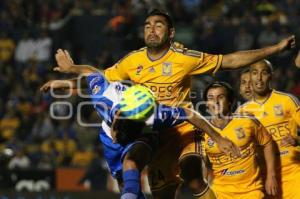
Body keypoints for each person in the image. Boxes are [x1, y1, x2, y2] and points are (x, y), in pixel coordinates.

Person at [41, 9, 295, 199]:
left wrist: (276, 48)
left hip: (182, 128)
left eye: (159, 25)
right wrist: (71, 74)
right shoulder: (132, 60)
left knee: (192, 175)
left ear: (170, 33)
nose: (152, 29)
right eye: (148, 25)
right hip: (152, 134)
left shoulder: (184, 58)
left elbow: (229, 60)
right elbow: (102, 80)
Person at [41, 49, 240, 199]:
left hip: (144, 138)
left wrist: (218, 137)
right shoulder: (104, 97)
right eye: (119, 129)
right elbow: (92, 74)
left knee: (131, 163)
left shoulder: (156, 116)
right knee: (123, 183)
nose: (118, 135)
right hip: (108, 140)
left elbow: (189, 113)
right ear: (117, 115)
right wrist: (67, 77)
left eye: (123, 133)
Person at [202, 81, 277, 199]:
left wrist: (271, 176)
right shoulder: (202, 132)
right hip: (220, 193)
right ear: (206, 104)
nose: (215, 102)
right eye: (210, 98)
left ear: (230, 101)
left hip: (251, 191)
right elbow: (202, 163)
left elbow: (267, 143)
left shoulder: (247, 121)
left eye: (220, 97)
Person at [237, 60, 300, 199]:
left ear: (271, 76)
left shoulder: (287, 100)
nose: (259, 78)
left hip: (294, 173)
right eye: (255, 73)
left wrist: (297, 139)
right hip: (264, 178)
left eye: (264, 73)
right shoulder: (242, 111)